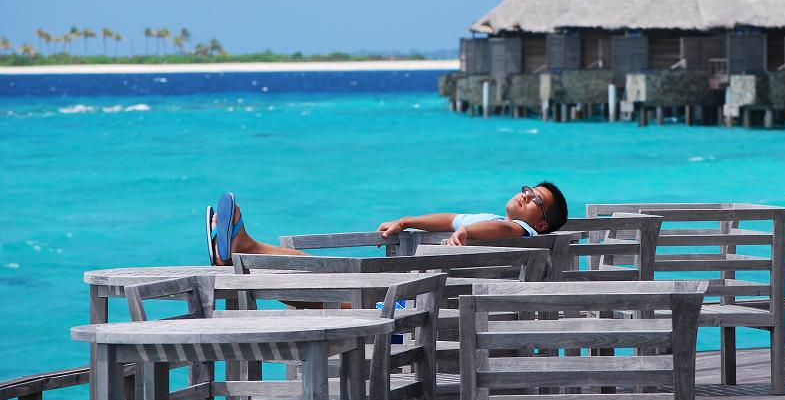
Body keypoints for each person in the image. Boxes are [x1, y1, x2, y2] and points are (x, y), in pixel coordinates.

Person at [206, 182, 568, 265]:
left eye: (536, 200)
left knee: (316, 278)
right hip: (406, 304)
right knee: (313, 279)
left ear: (542, 223)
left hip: (402, 317)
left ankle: (242, 249)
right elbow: (448, 218)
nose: (526, 196)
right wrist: (405, 220)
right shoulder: (491, 218)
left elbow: (502, 232)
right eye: (527, 190)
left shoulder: (524, 233)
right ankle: (242, 249)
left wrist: (467, 232)